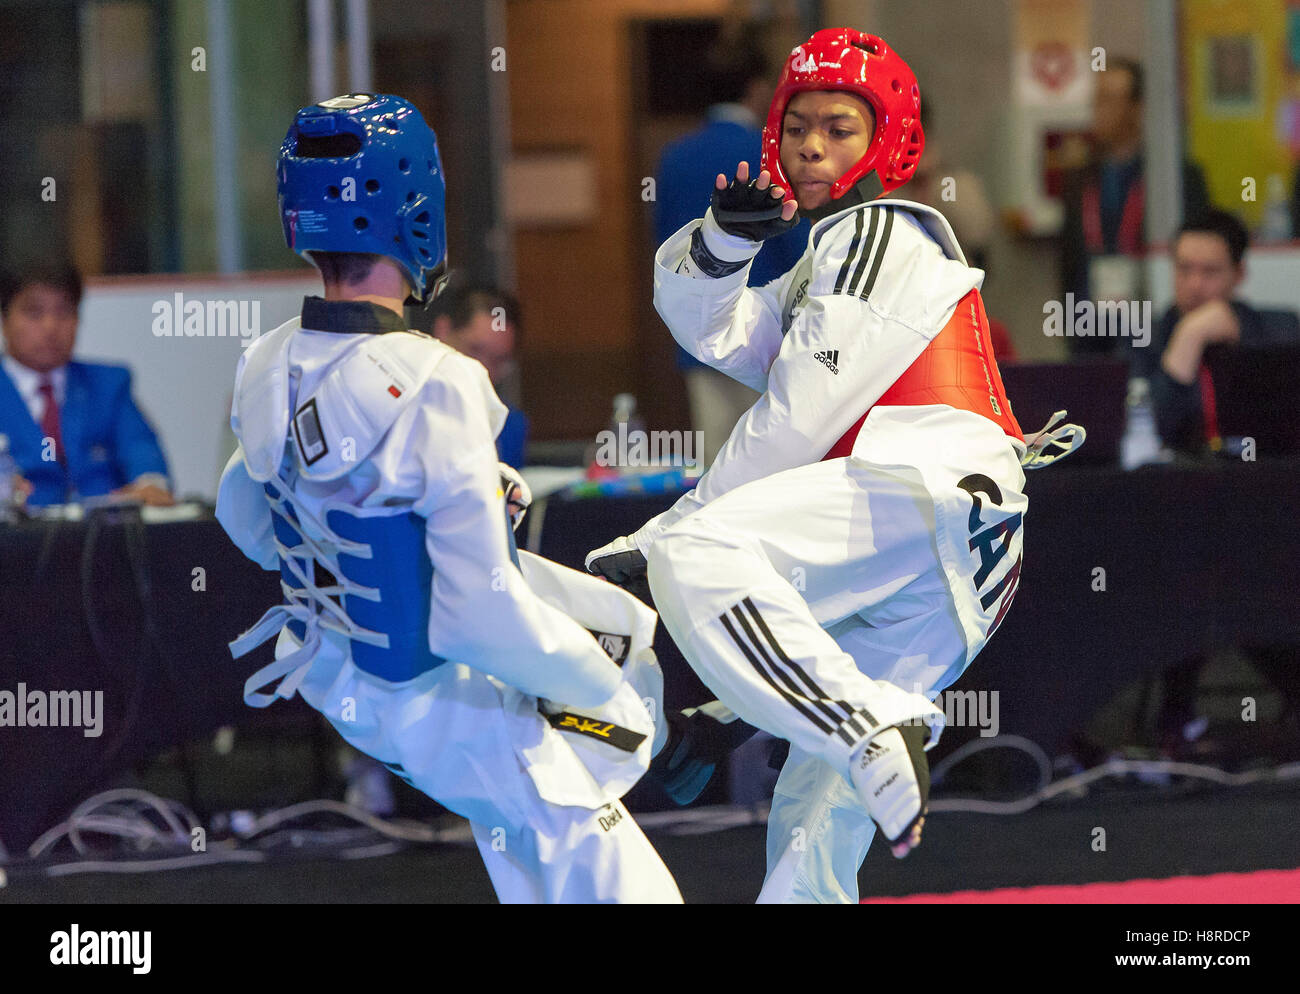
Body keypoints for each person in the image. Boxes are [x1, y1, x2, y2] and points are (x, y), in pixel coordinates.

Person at [587, 29, 1081, 904]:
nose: (812, 147)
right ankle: (830, 726)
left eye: (841, 128)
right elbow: (717, 335)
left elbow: (796, 419)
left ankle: (869, 726)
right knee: (813, 831)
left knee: (701, 554)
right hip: (955, 564)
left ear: (888, 142)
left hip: (922, 494)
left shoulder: (883, 234)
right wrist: (719, 247)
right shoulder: (829, 259)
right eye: (798, 126)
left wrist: (664, 530)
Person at [215, 93, 680, 903]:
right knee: (614, 872)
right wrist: (603, 687)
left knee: (530, 856)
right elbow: (477, 612)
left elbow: (242, 515)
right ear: (416, 209)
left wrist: (345, 556)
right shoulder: (439, 382)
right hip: (437, 691)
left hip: (346, 681)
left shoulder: (266, 358)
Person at [655, 32, 810, 465]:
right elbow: (798, 244)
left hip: (698, 331)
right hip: (766, 333)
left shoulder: (674, 156)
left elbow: (666, 243)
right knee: (772, 462)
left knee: (714, 464)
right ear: (758, 88)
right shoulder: (769, 155)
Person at [1059, 57, 1210, 358]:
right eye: (1097, 99)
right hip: (1088, 321)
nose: (1099, 110)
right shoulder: (1080, 179)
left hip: (1151, 317)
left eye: (1110, 100)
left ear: (1137, 108)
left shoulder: (1173, 177)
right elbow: (1068, 259)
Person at [0, 262, 172, 507]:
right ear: (5, 321)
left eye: (64, 312)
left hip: (104, 536)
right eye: (34, 313)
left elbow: (141, 449)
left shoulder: (108, 385)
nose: (50, 327)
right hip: (18, 541)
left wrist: (150, 485)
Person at [1132, 208, 1300, 455]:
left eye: (1210, 271)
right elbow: (1149, 434)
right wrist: (1188, 338)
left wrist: (1239, 337)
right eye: (1184, 269)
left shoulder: (1280, 330)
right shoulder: (1144, 337)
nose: (1194, 285)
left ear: (1239, 273)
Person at [429, 283, 529, 468]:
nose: (483, 370)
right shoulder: (405, 406)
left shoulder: (510, 425)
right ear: (443, 331)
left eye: (497, 361)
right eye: (475, 351)